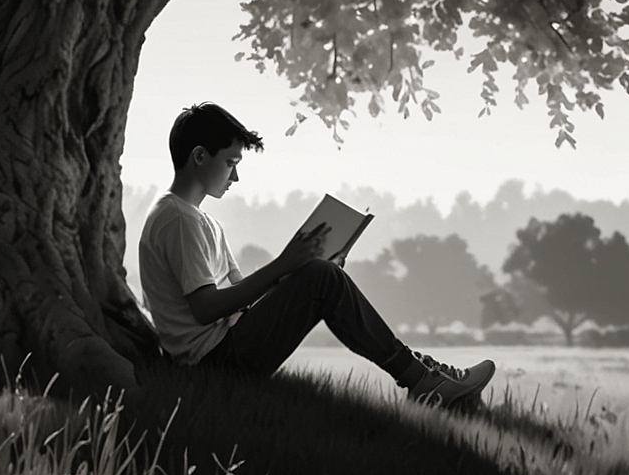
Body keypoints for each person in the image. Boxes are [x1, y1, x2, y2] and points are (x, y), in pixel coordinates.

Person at [138, 102, 495, 407]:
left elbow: (238, 297)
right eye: (231, 162)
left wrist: (295, 269)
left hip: (225, 347)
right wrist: (286, 265)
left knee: (321, 275)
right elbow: (206, 309)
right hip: (211, 364)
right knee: (321, 278)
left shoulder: (202, 221)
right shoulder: (177, 219)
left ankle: (422, 375)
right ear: (200, 156)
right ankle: (422, 380)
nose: (236, 177)